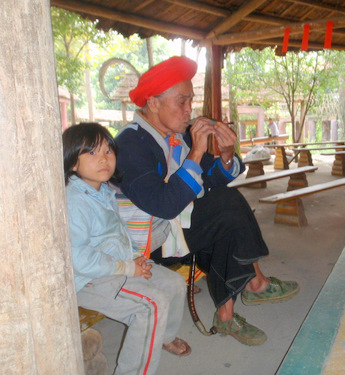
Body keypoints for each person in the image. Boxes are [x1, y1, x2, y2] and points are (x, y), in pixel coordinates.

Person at [115, 56, 299, 346]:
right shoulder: (130, 144)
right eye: (182, 102)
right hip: (148, 246)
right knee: (224, 208)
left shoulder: (174, 136)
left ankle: (228, 314)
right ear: (152, 103)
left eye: (191, 101)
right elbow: (163, 205)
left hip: (174, 229)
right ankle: (253, 283)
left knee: (224, 212)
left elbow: (207, 177)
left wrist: (226, 155)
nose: (189, 110)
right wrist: (196, 153)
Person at [63, 123, 191, 375]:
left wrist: (134, 258)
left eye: (108, 151)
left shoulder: (102, 192)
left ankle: (162, 336)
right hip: (89, 279)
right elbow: (77, 257)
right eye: (91, 152)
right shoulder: (75, 201)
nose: (103, 159)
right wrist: (126, 267)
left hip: (115, 265)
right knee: (151, 305)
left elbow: (116, 235)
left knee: (175, 284)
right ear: (72, 163)